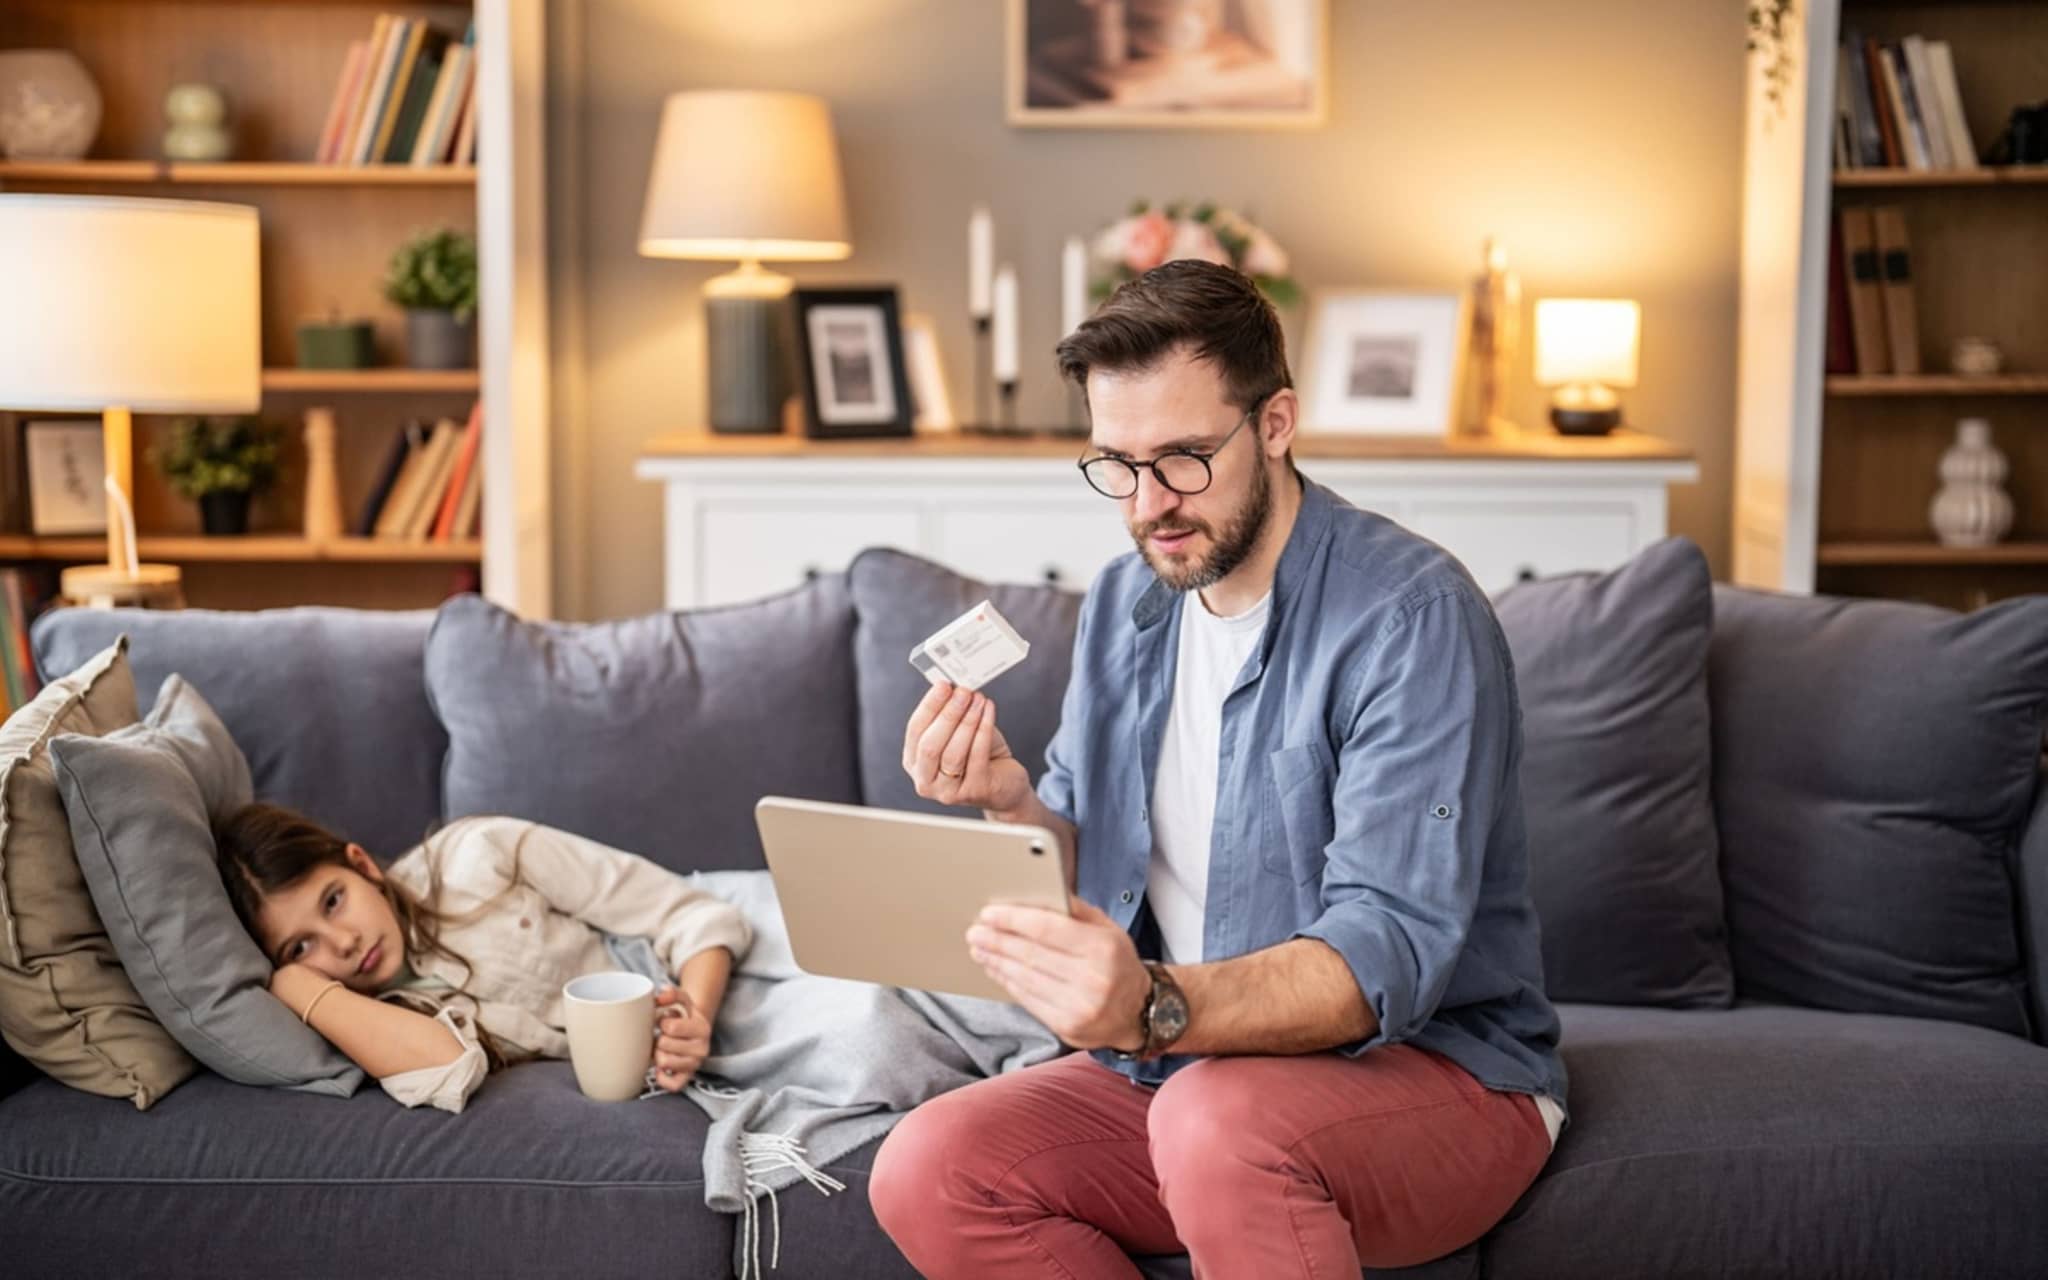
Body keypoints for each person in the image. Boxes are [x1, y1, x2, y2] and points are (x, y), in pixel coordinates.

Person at [868, 259, 1567, 1277]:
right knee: (927, 1163)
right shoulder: (1123, 601)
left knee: (1211, 1116)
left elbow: (1384, 953)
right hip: (1186, 1065)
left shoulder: (1409, 616)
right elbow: (1081, 863)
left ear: (1275, 422)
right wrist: (1004, 801)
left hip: (1440, 1072)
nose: (1149, 503)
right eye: (1116, 462)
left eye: (1184, 457)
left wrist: (1148, 1005)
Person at [214, 803, 750, 1114]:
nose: (345, 943)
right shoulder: (380, 1018)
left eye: (334, 900)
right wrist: (299, 988)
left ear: (362, 866)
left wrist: (696, 1014)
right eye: (301, 946)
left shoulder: (482, 853)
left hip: (705, 974)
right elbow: (447, 1065)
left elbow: (691, 914)